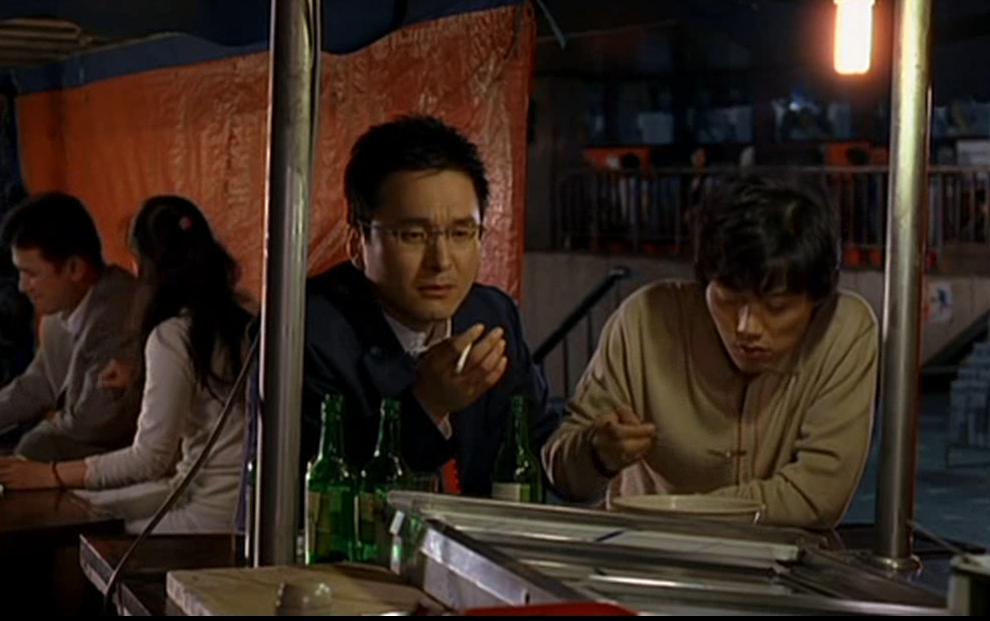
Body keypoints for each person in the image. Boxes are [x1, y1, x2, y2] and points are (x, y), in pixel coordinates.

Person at [542, 171, 880, 530]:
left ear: (816, 300)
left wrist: (669, 512)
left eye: (776, 306)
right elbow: (562, 475)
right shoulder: (646, 320)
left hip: (776, 559)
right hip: (646, 554)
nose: (746, 327)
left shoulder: (842, 330)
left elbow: (817, 497)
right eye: (728, 298)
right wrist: (596, 453)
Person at [279, 114, 560, 497]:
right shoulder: (304, 333)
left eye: (461, 233)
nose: (441, 261)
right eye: (413, 235)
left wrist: (591, 459)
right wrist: (427, 404)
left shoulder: (491, 315)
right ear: (358, 241)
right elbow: (315, 495)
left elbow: (537, 449)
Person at [0, 195, 254, 534]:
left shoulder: (171, 334)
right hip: (212, 494)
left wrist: (50, 475)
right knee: (85, 507)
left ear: (147, 268)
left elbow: (150, 459)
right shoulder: (242, 315)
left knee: (80, 537)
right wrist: (137, 378)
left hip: (212, 511)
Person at [0, 192, 143, 462]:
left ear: (74, 268)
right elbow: (36, 385)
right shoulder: (58, 315)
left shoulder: (121, 311)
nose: (22, 287)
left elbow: (95, 423)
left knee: (37, 447)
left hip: (124, 463)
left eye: (32, 274)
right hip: (83, 455)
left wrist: (41, 436)